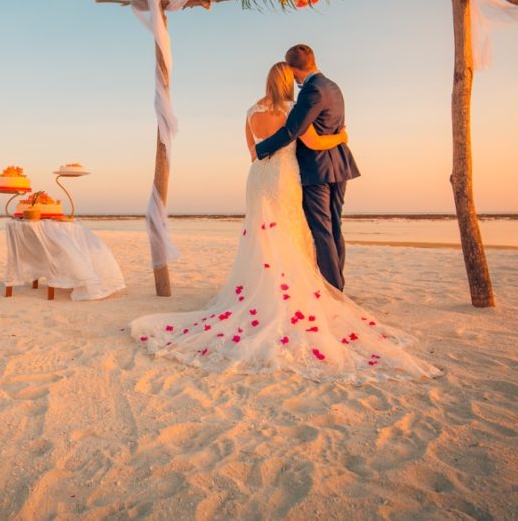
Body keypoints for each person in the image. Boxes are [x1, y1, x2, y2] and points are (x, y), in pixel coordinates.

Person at [129, 63, 440, 382]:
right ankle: (290, 291)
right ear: (289, 82)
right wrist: (343, 135)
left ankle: (258, 289)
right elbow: (316, 144)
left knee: (260, 235)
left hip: (258, 177)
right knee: (291, 232)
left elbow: (252, 152)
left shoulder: (251, 110)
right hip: (284, 177)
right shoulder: (294, 109)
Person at [255, 44, 359, 291]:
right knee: (334, 226)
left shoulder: (311, 91)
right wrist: (342, 138)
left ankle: (333, 288)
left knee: (321, 229)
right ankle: (337, 282)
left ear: (291, 69)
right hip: (339, 165)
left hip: (317, 168)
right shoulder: (333, 86)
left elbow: (293, 131)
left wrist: (260, 150)